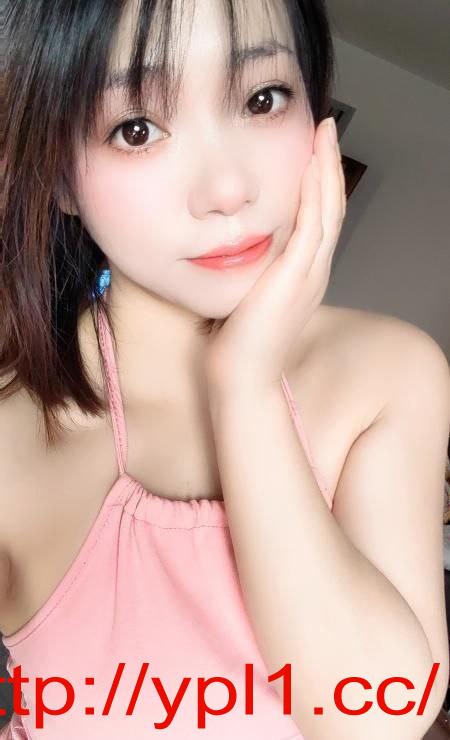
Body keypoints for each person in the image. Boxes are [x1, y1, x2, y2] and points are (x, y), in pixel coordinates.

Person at [1, 0, 449, 737]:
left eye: (263, 98)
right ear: (58, 178)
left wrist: (245, 387)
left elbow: (375, 716)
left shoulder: (387, 375)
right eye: (136, 129)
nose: (227, 190)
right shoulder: (15, 432)